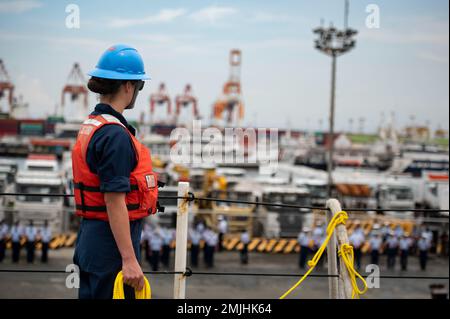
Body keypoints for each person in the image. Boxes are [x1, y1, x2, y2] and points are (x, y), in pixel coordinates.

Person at [72, 44, 156, 299]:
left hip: (90, 242)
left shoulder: (93, 125)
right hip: (111, 249)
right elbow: (114, 200)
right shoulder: (115, 135)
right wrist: (129, 260)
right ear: (129, 86)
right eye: (139, 86)